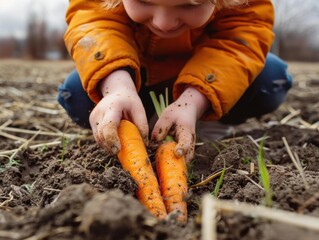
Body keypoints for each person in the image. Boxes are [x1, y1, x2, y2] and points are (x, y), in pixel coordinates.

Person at [58, 0, 292, 162]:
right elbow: (95, 26)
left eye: (190, 5)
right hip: (137, 80)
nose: (164, 23)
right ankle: (138, 122)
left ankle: (208, 122)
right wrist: (117, 88)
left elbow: (239, 43)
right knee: (77, 95)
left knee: (272, 77)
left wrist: (193, 101)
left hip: (210, 81)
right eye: (144, 1)